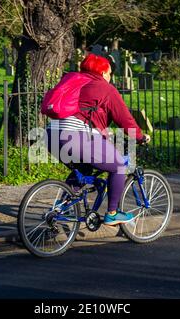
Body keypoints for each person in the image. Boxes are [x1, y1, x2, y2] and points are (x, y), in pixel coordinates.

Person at [45, 53, 150, 226]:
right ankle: (113, 213)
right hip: (76, 135)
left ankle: (58, 211)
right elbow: (125, 119)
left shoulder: (73, 81)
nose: (110, 77)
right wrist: (139, 137)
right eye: (109, 73)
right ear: (102, 73)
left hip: (52, 135)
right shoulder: (104, 88)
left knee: (83, 169)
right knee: (118, 165)